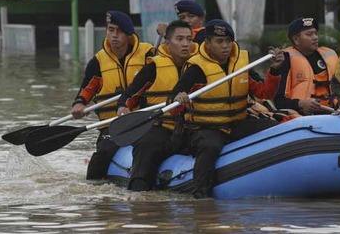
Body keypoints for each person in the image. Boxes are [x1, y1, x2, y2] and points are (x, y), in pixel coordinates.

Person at [170, 19, 285, 198]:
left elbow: (265, 93)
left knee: (272, 128)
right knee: (210, 146)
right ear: (207, 43)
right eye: (219, 42)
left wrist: (275, 70)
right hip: (205, 127)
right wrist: (179, 98)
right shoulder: (196, 68)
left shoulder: (242, 64)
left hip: (237, 123)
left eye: (228, 41)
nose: (225, 46)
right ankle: (200, 196)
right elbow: (175, 99)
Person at [115, 20, 198, 191]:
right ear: (167, 42)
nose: (185, 44)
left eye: (189, 39)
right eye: (180, 39)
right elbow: (129, 95)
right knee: (146, 146)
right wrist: (123, 106)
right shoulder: (154, 67)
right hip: (161, 128)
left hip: (192, 128)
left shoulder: (201, 66)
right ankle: (139, 191)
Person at [71, 11, 154, 180]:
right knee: (104, 152)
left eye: (119, 31)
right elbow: (87, 88)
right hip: (113, 126)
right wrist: (79, 104)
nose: (114, 35)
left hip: (144, 120)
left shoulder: (148, 54)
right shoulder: (98, 62)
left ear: (129, 33)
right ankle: (94, 189)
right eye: (111, 30)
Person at [273, 17, 339, 115]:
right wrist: (300, 104)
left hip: (333, 113)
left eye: (316, 33)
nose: (315, 37)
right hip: (302, 117)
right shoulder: (285, 60)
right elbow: (278, 101)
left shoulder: (330, 54)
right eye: (309, 34)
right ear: (296, 40)